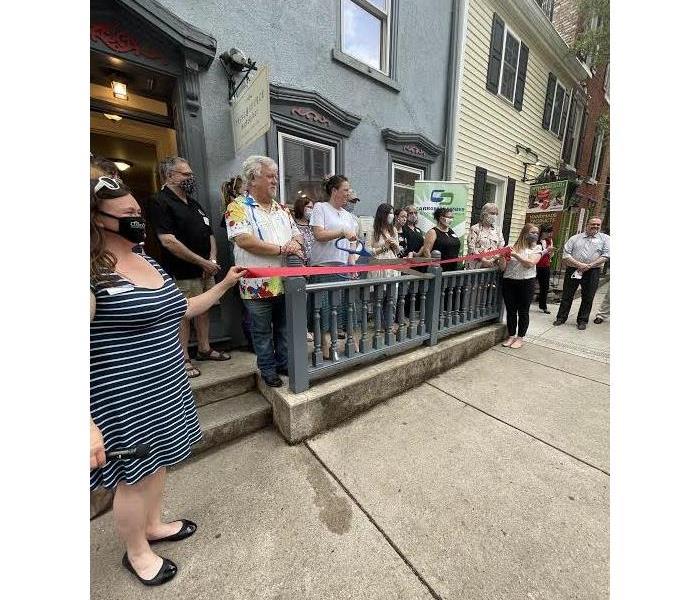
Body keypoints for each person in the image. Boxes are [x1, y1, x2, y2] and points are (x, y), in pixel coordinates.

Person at [90, 176, 246, 586]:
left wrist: (227, 283)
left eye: (138, 213)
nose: (138, 221)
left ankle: (154, 525)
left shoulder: (149, 260)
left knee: (158, 465)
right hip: (122, 397)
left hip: (166, 386)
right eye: (127, 216)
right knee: (134, 479)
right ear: (95, 219)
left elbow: (184, 307)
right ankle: (136, 552)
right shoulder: (88, 272)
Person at [225, 156, 304, 387]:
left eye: (276, 176)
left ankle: (283, 363)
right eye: (270, 176)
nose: (275, 181)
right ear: (252, 179)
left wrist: (294, 244)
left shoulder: (282, 208)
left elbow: (297, 235)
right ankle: (267, 369)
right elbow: (244, 240)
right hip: (255, 282)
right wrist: (282, 249)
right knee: (261, 331)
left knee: (283, 327)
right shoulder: (237, 207)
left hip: (284, 279)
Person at [150, 157, 228, 379]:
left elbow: (209, 233)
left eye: (191, 174)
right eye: (186, 174)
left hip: (206, 270)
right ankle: (183, 357)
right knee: (184, 313)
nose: (191, 178)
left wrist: (211, 261)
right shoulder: (160, 201)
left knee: (204, 310)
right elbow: (168, 240)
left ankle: (204, 348)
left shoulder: (194, 203)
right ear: (170, 175)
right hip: (181, 271)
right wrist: (201, 262)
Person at [309, 175, 358, 358]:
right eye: (345, 189)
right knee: (322, 308)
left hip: (342, 266)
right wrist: (341, 232)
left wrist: (352, 259)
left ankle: (345, 341)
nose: (348, 193)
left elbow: (353, 241)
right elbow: (319, 235)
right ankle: (324, 345)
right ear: (334, 191)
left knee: (342, 307)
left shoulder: (349, 216)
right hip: (322, 265)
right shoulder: (320, 208)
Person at [553, 217, 610, 330]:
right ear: (587, 224)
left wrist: (590, 265)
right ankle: (561, 318)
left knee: (588, 297)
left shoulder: (605, 239)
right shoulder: (575, 238)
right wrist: (579, 264)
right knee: (567, 295)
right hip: (573, 269)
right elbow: (566, 254)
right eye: (593, 224)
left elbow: (606, 255)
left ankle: (582, 320)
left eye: (598, 225)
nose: (595, 226)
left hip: (592, 271)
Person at [501, 223, 543, 349]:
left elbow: (530, 264)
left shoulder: (537, 248)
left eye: (536, 233)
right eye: (532, 232)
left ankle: (520, 337)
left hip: (526, 282)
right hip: (509, 281)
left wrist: (515, 255)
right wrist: (502, 257)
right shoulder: (512, 247)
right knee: (511, 311)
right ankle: (511, 335)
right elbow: (503, 267)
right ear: (524, 233)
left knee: (523, 311)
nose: (535, 235)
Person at [418, 206, 462, 270]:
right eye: (448, 217)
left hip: (452, 269)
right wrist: (433, 265)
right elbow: (426, 251)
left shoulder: (451, 231)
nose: (451, 219)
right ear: (441, 218)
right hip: (438, 269)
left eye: (452, 217)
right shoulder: (433, 232)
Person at [466, 202, 505, 269]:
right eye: (492, 213)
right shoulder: (475, 228)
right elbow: (471, 248)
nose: (494, 216)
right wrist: (484, 260)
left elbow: (501, 247)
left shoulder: (498, 230)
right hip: (475, 266)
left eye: (496, 214)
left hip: (492, 265)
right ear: (484, 213)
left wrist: (492, 260)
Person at [535, 222, 556, 314]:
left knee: (545, 287)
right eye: (547, 232)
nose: (549, 234)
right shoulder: (535, 240)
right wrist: (546, 251)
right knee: (531, 284)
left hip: (545, 265)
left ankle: (543, 306)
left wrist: (551, 252)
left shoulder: (549, 241)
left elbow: (550, 255)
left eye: (550, 232)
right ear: (542, 232)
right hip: (535, 265)